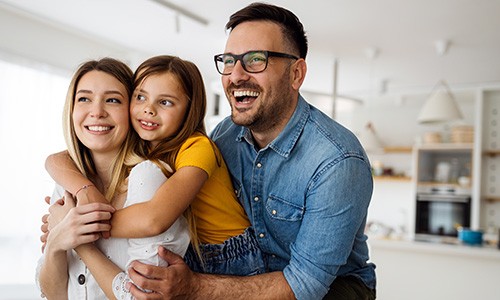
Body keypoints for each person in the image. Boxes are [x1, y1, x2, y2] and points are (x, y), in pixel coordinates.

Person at [126, 3, 377, 300]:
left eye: (256, 60)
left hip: (331, 289)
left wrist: (192, 286)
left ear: (296, 74)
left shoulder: (337, 161)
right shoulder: (224, 136)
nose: (236, 75)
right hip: (244, 278)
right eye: (229, 61)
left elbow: (305, 285)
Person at [41, 55, 265, 297]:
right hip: (195, 255)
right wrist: (81, 197)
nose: (149, 109)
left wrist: (78, 226)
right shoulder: (151, 146)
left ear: (189, 110)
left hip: (231, 257)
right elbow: (56, 159)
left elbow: (154, 219)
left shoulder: (195, 149)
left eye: (166, 102)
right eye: (141, 97)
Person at [36, 57, 191, 299]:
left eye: (112, 100)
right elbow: (54, 294)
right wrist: (56, 242)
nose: (96, 112)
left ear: (132, 110)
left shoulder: (147, 178)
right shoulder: (68, 183)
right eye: (84, 98)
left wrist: (78, 241)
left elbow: (142, 295)